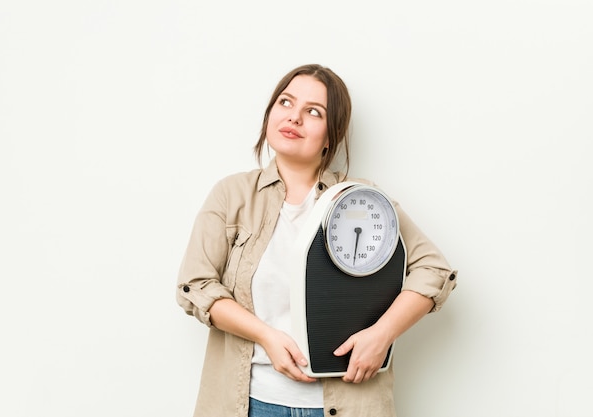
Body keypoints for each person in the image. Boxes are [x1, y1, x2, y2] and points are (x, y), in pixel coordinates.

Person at [176, 64, 457, 417]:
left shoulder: (362, 200)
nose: (294, 118)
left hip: (349, 404)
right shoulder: (232, 196)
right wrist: (266, 336)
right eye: (285, 103)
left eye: (313, 112)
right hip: (249, 403)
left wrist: (382, 335)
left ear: (330, 136)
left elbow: (434, 270)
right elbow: (195, 285)